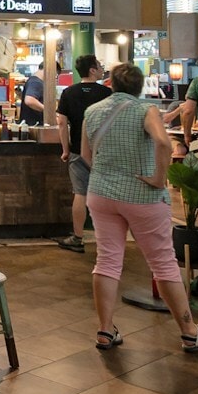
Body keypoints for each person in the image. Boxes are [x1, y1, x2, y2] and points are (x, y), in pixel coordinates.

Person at [83, 63, 198, 353]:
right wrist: (159, 179)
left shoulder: (92, 111)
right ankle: (189, 331)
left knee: (107, 260)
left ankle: (105, 330)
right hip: (141, 196)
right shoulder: (145, 110)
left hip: (100, 194)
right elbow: (162, 142)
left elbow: (86, 155)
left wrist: (107, 174)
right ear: (140, 87)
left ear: (110, 83)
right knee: (162, 261)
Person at [54, 54, 112, 253]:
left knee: (80, 194)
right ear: (93, 70)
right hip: (104, 152)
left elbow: (61, 123)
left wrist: (65, 150)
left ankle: (77, 237)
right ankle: (107, 238)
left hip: (78, 151)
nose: (102, 68)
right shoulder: (107, 93)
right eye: (99, 65)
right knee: (105, 195)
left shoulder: (69, 93)